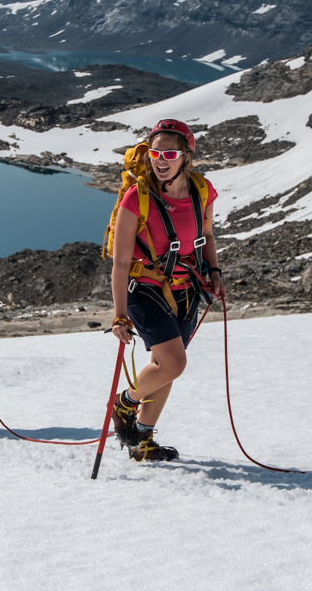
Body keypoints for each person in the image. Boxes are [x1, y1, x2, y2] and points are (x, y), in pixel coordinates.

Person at [111, 119, 226, 462]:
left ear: (186, 156)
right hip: (144, 288)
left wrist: (215, 272)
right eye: (156, 153)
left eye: (170, 153)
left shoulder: (201, 191)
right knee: (174, 364)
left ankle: (141, 442)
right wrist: (119, 315)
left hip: (186, 290)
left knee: (165, 366)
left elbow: (206, 237)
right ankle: (124, 404)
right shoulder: (137, 198)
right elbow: (119, 263)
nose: (161, 160)